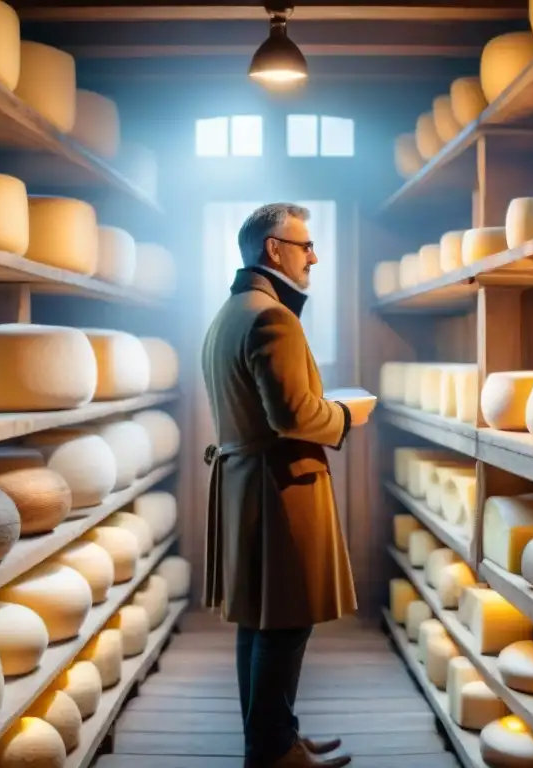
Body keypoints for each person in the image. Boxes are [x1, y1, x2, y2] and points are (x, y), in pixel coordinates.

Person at [201, 203, 370, 768]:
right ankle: (275, 753)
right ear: (274, 250)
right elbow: (292, 416)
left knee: (261, 621)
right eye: (306, 246)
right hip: (281, 489)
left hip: (250, 485)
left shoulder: (232, 310)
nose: (314, 256)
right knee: (286, 623)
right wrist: (346, 416)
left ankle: (275, 739)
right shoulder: (273, 317)